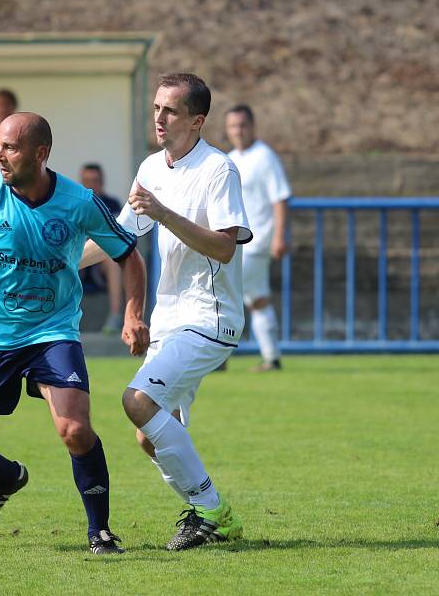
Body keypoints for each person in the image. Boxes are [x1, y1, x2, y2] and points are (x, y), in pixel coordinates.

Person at [0, 112, 149, 555]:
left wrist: (133, 314)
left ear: (40, 153)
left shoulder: (78, 201)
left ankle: (100, 531)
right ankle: (7, 476)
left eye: (9, 148)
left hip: (52, 330)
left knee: (74, 429)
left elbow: (128, 254)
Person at [81, 73, 252, 551]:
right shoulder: (152, 167)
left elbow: (223, 248)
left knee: (137, 402)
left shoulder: (219, 170)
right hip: (171, 319)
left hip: (210, 317)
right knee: (148, 436)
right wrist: (56, 263)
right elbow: (120, 235)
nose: (159, 117)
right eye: (157, 107)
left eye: (171, 110)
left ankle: (213, 511)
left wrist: (162, 213)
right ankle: (210, 514)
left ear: (197, 121)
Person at [226, 104, 291, 371]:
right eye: (233, 126)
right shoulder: (229, 158)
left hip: (256, 240)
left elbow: (280, 198)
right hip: (239, 241)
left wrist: (279, 236)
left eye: (242, 125)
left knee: (226, 295)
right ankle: (272, 357)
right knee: (258, 299)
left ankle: (218, 355)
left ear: (252, 127)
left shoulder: (265, 157)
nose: (238, 131)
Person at [79, 163, 124, 334]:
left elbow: (118, 237)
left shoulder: (112, 204)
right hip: (77, 256)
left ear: (102, 182)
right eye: (86, 181)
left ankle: (115, 316)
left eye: (94, 181)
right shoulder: (72, 202)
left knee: (112, 259)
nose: (90, 185)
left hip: (100, 262)